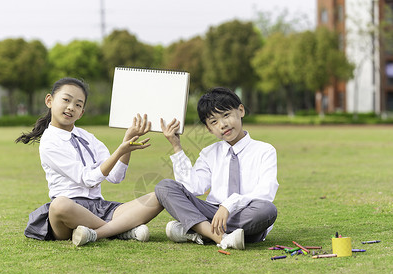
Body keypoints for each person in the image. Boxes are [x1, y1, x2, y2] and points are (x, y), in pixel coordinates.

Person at [16, 77, 163, 246]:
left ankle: (97, 232)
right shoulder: (49, 142)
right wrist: (119, 151)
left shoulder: (88, 137)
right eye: (66, 100)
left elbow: (116, 177)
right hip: (69, 213)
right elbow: (87, 179)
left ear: (82, 112)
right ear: (49, 100)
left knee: (158, 197)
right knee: (59, 205)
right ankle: (122, 231)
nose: (71, 107)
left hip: (99, 207)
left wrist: (128, 142)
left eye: (78, 104)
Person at [155, 87, 278, 250]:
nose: (223, 125)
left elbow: (266, 192)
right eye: (214, 121)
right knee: (165, 187)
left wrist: (228, 205)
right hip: (212, 213)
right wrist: (176, 146)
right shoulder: (209, 153)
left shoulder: (265, 150)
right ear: (209, 128)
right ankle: (221, 237)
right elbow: (193, 188)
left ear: (241, 110)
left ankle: (198, 230)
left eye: (226, 115)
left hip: (246, 213)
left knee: (267, 210)